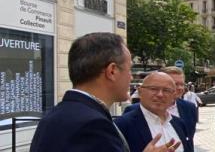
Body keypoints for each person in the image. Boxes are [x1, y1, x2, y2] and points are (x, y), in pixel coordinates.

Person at [30, 32, 179, 152]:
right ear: (112, 71)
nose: (131, 77)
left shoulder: (57, 115)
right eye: (129, 69)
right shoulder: (93, 125)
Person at [115, 72, 194, 152]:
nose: (160, 94)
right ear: (140, 92)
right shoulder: (121, 125)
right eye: (153, 89)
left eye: (166, 90)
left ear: (173, 96)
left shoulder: (179, 123)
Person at [126, 67, 198, 142]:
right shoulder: (133, 111)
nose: (180, 88)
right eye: (175, 84)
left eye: (182, 84)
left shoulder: (189, 108)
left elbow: (189, 139)